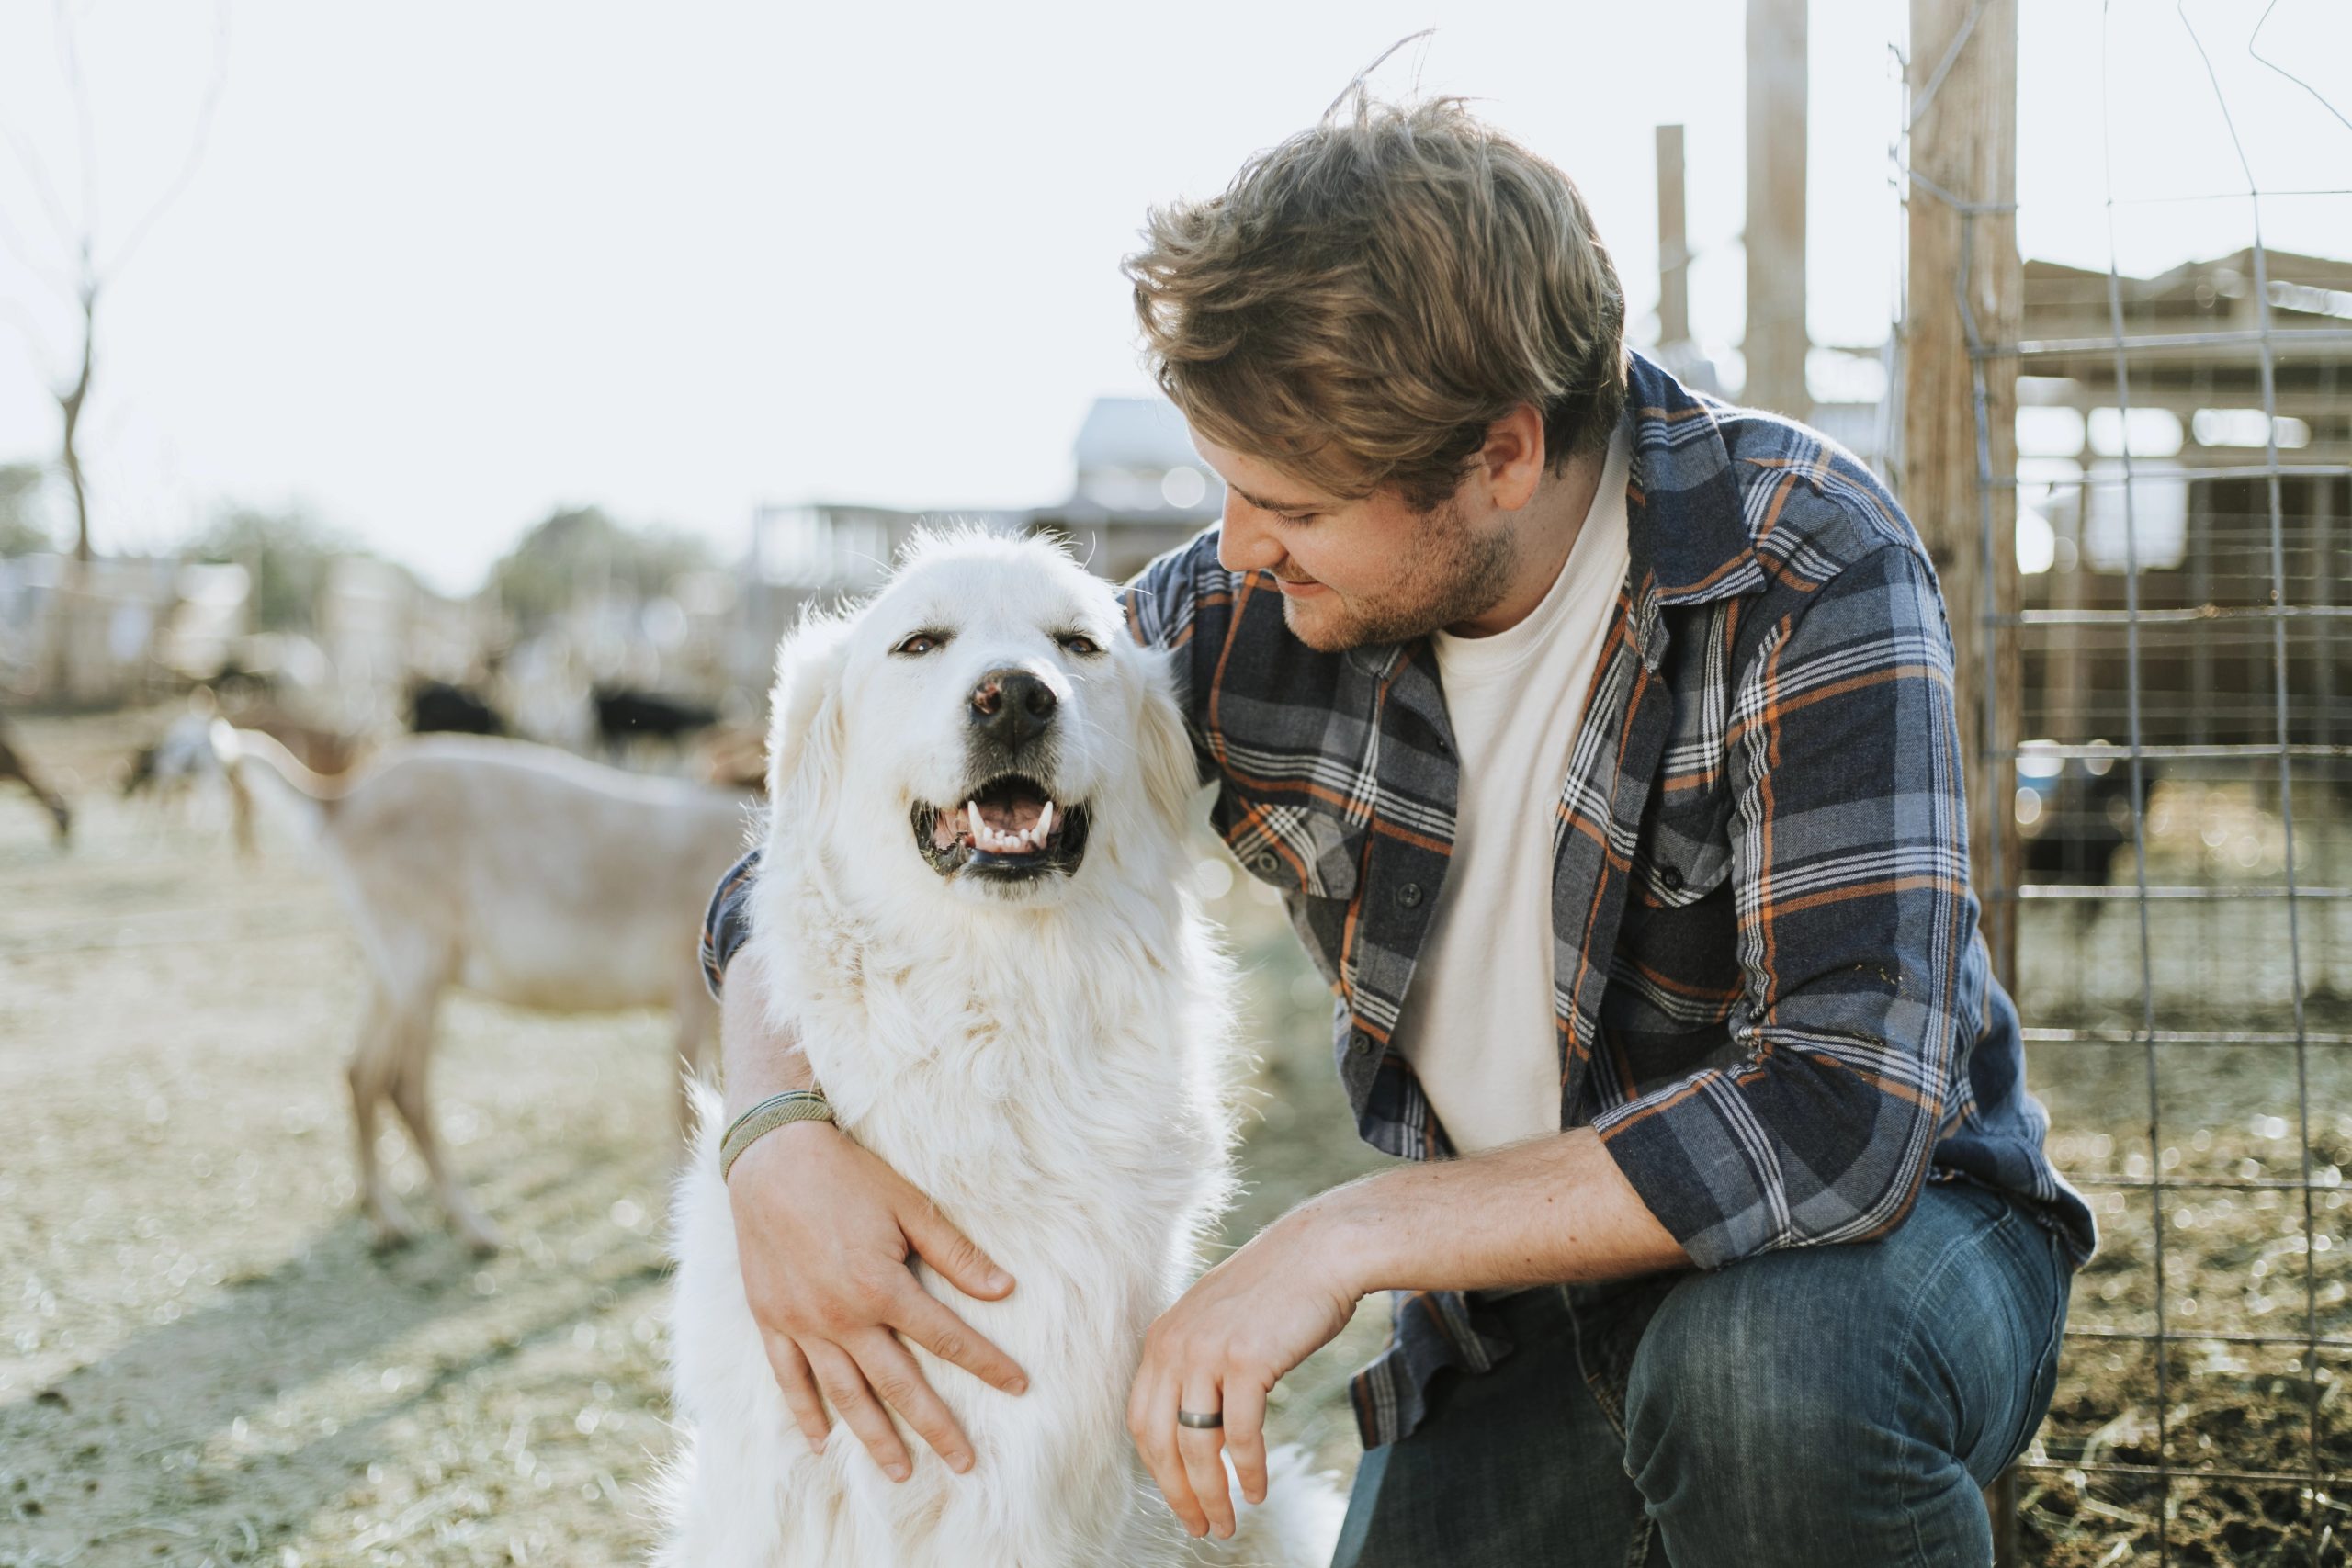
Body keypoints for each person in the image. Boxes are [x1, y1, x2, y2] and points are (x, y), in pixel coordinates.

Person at [701, 95, 2095, 1567]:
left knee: (1767, 1386)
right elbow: (787, 859)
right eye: (1224, 487)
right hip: (1518, 1317)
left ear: (1500, 455)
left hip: (1883, 1259)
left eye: (1286, 500)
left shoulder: (1804, 565)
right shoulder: (1244, 617)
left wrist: (1348, 1236)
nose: (1232, 548)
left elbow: (1838, 1120)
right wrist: (772, 1130)